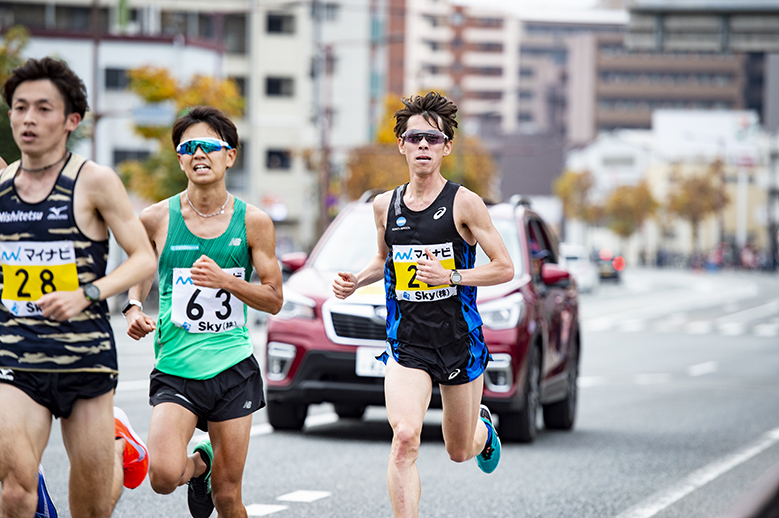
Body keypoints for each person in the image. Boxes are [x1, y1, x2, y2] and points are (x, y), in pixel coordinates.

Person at [332, 92, 514, 517]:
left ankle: (483, 433)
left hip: (457, 342)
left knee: (458, 450)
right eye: (415, 138)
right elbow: (383, 260)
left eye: (433, 138)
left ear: (447, 146)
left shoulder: (464, 203)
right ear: (401, 144)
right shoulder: (384, 205)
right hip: (406, 343)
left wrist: (451, 276)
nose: (423, 146)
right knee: (405, 438)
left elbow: (503, 267)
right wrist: (355, 280)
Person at [0, 57, 156, 518]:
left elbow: (143, 257)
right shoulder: (2, 186)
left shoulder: (94, 182)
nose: (28, 119)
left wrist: (87, 294)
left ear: (72, 120)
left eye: (43, 108)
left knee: (88, 509)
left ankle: (115, 445)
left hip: (84, 360)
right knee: (12, 491)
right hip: (17, 354)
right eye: (19, 107)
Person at [125, 105, 283, 518]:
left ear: (230, 155)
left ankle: (209, 472)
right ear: (180, 158)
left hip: (232, 368)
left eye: (209, 146)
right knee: (161, 476)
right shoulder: (156, 217)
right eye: (188, 147)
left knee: (227, 498)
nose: (199, 154)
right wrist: (132, 306)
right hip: (176, 366)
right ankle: (200, 465)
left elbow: (274, 298)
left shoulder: (255, 222)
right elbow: (140, 268)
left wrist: (227, 281)